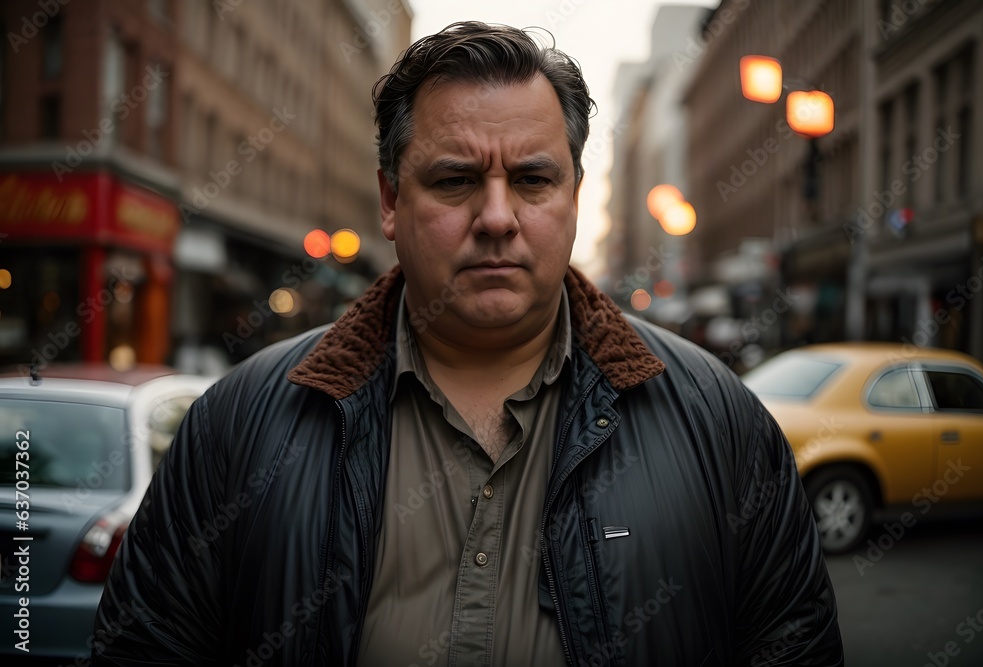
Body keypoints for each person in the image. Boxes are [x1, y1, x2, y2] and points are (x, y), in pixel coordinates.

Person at [94, 21, 844, 666]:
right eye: (455, 180)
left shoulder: (718, 423)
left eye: (532, 179)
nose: (496, 216)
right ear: (392, 200)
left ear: (576, 196)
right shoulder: (239, 425)